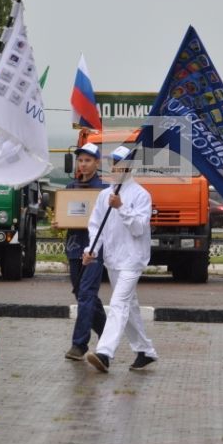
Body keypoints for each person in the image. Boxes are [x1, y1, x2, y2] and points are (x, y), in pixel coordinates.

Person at [84, 146, 158, 373]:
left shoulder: (141, 195)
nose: (113, 167)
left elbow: (138, 228)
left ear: (129, 167)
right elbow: (96, 225)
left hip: (133, 260)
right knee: (129, 307)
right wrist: (91, 249)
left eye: (118, 163)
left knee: (117, 304)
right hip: (113, 259)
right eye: (112, 162)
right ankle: (145, 350)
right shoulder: (105, 195)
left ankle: (105, 353)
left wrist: (122, 208)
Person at [56, 142, 107, 360]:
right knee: (82, 294)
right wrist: (59, 221)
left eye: (88, 160)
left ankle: (79, 345)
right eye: (81, 160)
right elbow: (65, 215)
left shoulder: (103, 190)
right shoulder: (70, 188)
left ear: (97, 162)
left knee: (86, 293)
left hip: (94, 248)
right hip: (74, 247)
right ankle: (107, 334)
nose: (83, 164)